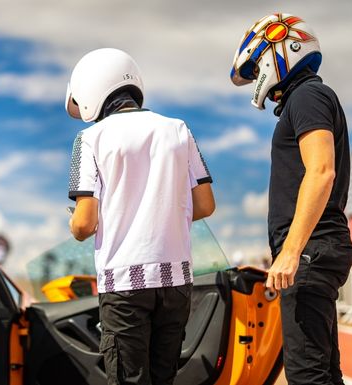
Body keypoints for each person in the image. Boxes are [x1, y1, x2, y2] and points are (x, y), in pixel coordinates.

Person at [65, 48, 215, 385]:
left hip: (124, 283)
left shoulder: (88, 139)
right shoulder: (179, 129)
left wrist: (74, 221)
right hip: (176, 280)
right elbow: (205, 205)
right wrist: (160, 213)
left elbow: (84, 224)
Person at [230, 14, 352, 385]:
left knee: (306, 375)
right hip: (316, 250)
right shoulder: (309, 97)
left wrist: (291, 251)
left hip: (309, 252)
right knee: (324, 373)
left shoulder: (307, 96)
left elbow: (321, 172)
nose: (257, 80)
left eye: (256, 67)